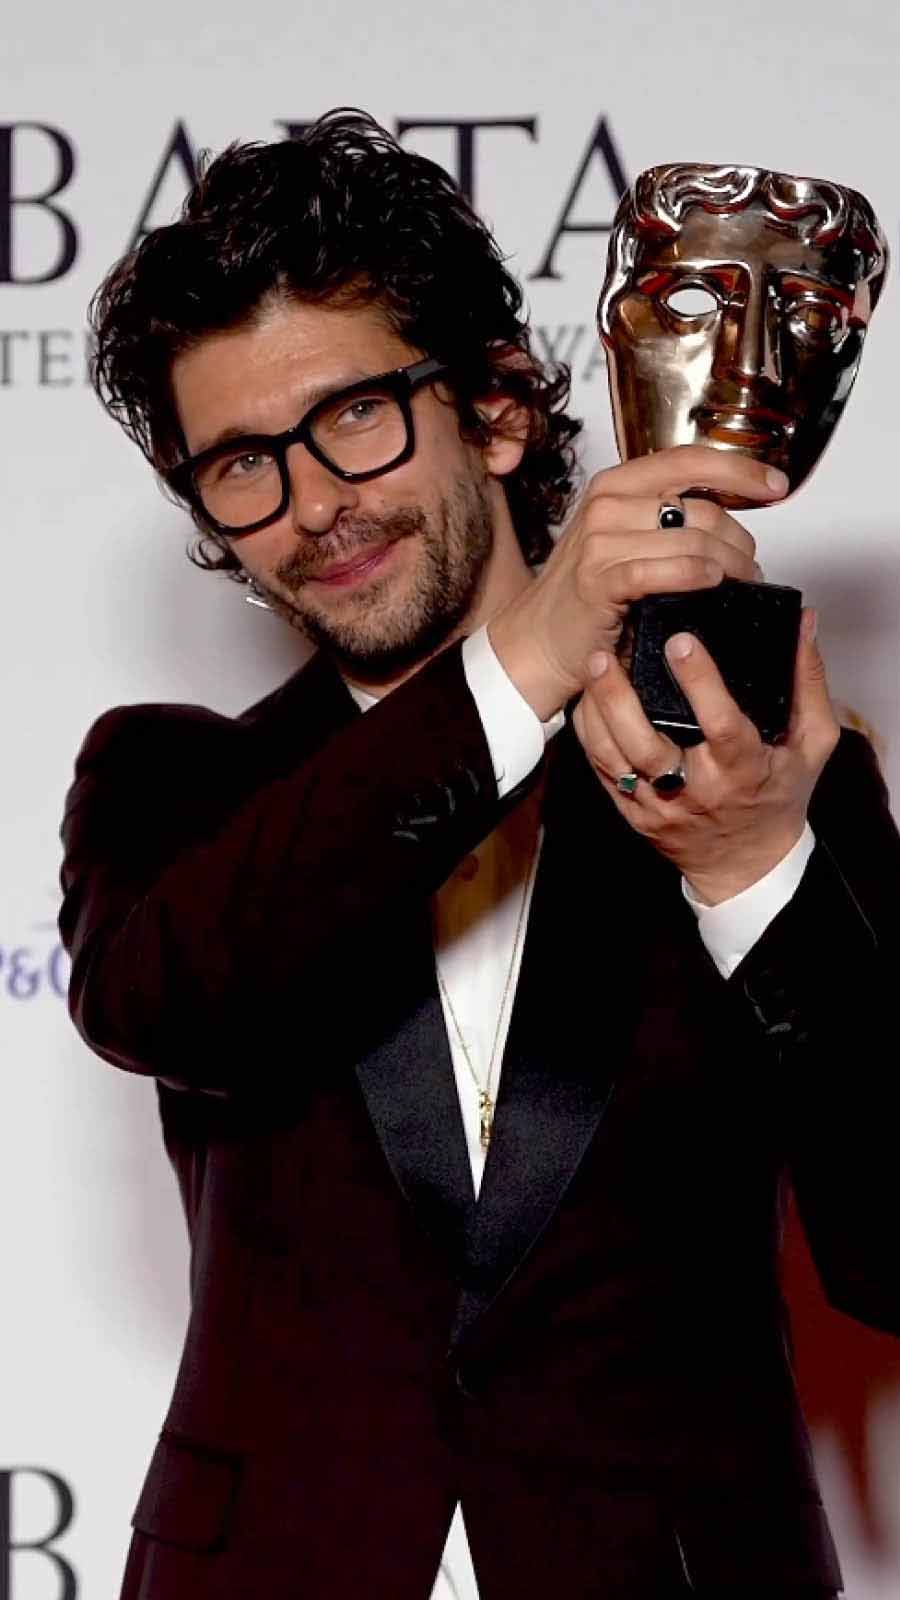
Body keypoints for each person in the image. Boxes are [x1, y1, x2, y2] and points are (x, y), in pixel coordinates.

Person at [59, 109, 900, 1600]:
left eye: (357, 417)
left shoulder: (760, 760)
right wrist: (519, 666)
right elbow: (163, 1004)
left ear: (500, 411)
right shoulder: (179, 777)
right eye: (240, 466)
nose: (312, 502)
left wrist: (760, 863)